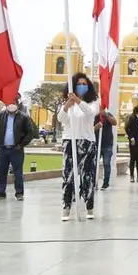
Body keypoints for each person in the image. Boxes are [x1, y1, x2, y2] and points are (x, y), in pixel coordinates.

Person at [58, 72, 99, 221]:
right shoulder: (68, 102)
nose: (82, 86)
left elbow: (90, 114)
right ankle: (66, 206)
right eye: (79, 84)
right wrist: (68, 105)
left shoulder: (93, 101)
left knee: (87, 175)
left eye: (84, 84)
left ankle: (89, 206)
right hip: (70, 140)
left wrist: (78, 101)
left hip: (87, 141)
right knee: (68, 176)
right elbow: (61, 118)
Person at [0, 93, 35, 200]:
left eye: (14, 102)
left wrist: (21, 144)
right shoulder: (1, 116)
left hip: (16, 149)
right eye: (9, 102)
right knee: (1, 171)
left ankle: (19, 193)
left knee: (18, 172)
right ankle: (0, 192)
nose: (11, 104)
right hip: (3, 148)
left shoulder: (24, 117)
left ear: (17, 103)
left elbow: (30, 133)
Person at [94, 108, 118, 190]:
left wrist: (106, 115)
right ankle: (94, 182)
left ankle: (106, 182)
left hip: (107, 144)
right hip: (96, 144)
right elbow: (89, 128)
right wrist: (96, 127)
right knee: (94, 164)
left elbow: (114, 122)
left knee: (106, 163)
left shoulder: (108, 114)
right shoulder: (94, 116)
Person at [124, 106, 138, 183]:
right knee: (133, 158)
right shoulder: (132, 119)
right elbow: (127, 128)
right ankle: (132, 176)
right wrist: (131, 138)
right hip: (134, 141)